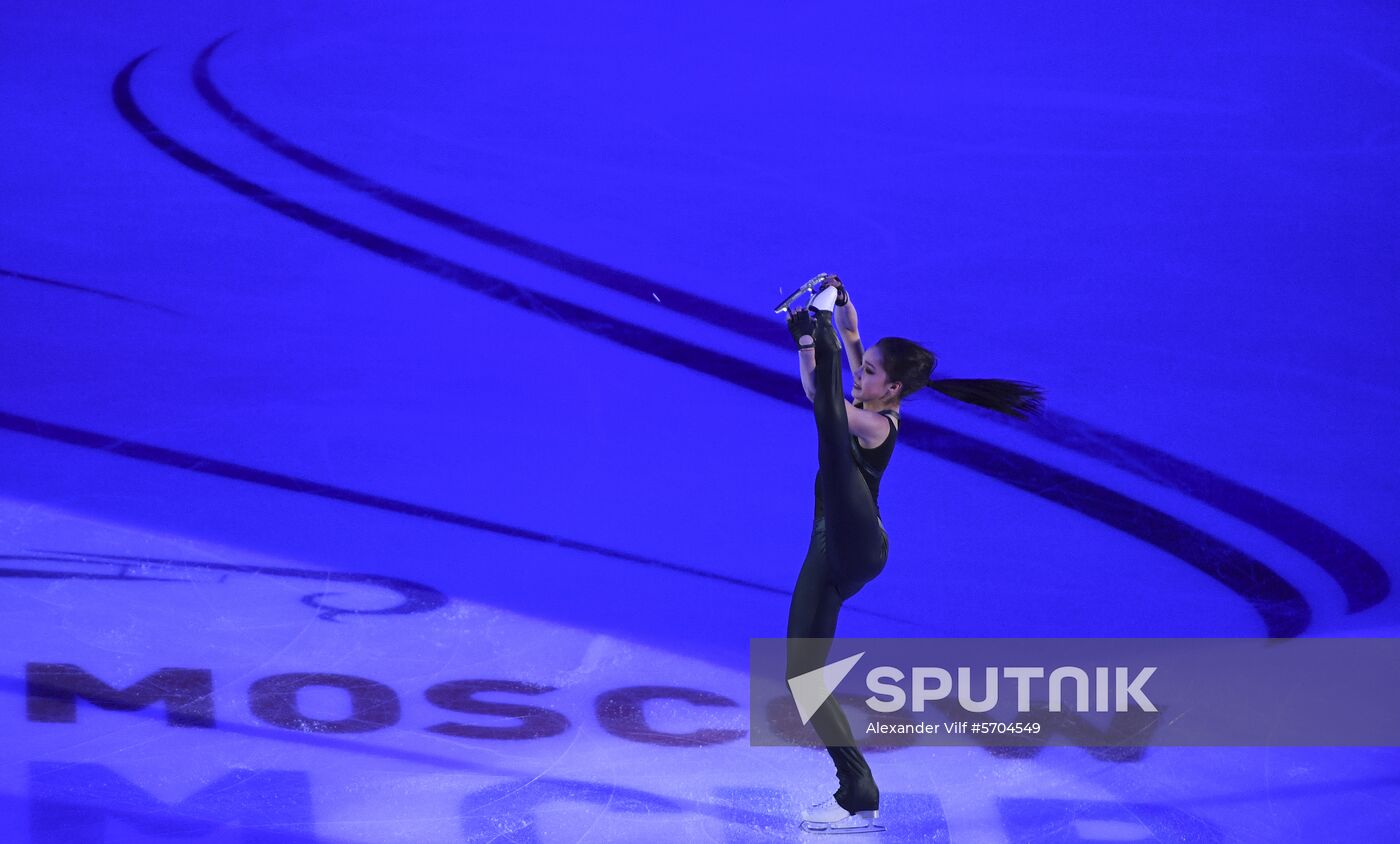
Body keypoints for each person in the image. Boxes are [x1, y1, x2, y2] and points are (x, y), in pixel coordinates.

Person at [784, 276, 1042, 834]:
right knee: (800, 676)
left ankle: (858, 794)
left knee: (829, 431)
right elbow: (851, 343)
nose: (862, 372)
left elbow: (820, 399)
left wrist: (812, 335)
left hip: (857, 542)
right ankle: (858, 792)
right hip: (828, 547)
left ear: (893, 390)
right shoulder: (866, 390)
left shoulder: (876, 424)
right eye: (862, 364)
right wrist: (841, 305)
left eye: (871, 372)